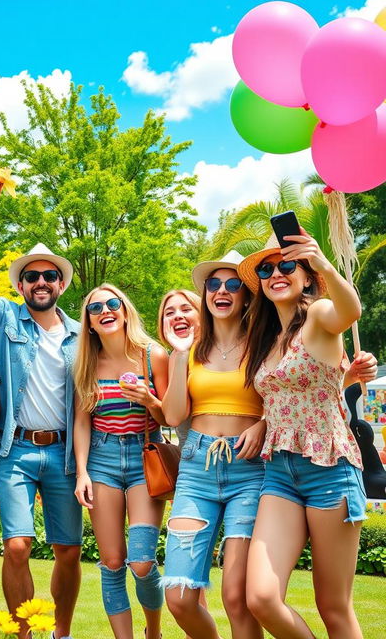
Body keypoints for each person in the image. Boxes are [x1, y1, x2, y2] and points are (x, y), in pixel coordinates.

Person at [0, 175, 82, 639]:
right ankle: (23, 633)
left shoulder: (80, 334)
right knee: (16, 546)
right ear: (22, 284)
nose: (41, 281)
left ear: (61, 284)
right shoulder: (5, 316)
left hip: (67, 455)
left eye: (50, 275)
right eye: (32, 276)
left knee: (68, 551)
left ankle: (60, 632)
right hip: (17, 450)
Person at [238, 230, 365, 639]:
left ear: (307, 276)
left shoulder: (319, 315)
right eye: (267, 268)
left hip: (330, 470)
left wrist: (323, 261)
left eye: (288, 265)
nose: (276, 272)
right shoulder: (267, 339)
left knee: (333, 607)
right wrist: (262, 421)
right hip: (280, 473)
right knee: (260, 597)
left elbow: (350, 311)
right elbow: (279, 396)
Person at [161, 250, 267, 639]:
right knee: (179, 595)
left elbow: (287, 397)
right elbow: (173, 416)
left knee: (236, 597)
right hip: (196, 469)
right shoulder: (193, 349)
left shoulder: (264, 343)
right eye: (214, 284)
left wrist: (264, 423)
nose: (222, 291)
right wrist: (179, 351)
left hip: (250, 469)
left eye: (233, 284)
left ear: (247, 295)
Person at [73, 284, 168, 639]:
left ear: (125, 311)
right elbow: (82, 421)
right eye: (95, 308)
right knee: (112, 563)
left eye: (112, 304)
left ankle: (153, 633)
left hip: (145, 459)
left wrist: (150, 400)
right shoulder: (85, 362)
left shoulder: (152, 355)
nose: (105, 310)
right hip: (102, 461)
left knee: (142, 562)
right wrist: (82, 471)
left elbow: (172, 416)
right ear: (90, 323)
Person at [156, 289, 201, 450]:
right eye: (169, 313)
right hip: (191, 459)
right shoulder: (176, 356)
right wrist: (181, 355)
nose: (177, 316)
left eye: (186, 309)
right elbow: (173, 418)